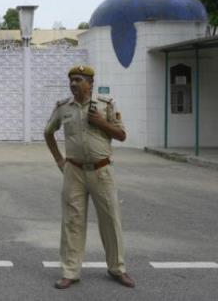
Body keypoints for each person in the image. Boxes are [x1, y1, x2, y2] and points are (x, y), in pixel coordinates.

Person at [44, 65, 135, 289]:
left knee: (110, 221)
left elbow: (122, 135)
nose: (73, 84)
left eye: (78, 80)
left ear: (90, 83)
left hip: (101, 171)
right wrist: (59, 160)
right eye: (71, 80)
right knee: (72, 222)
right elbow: (48, 132)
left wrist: (101, 122)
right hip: (73, 171)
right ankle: (70, 272)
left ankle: (117, 269)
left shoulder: (106, 106)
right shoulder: (63, 107)